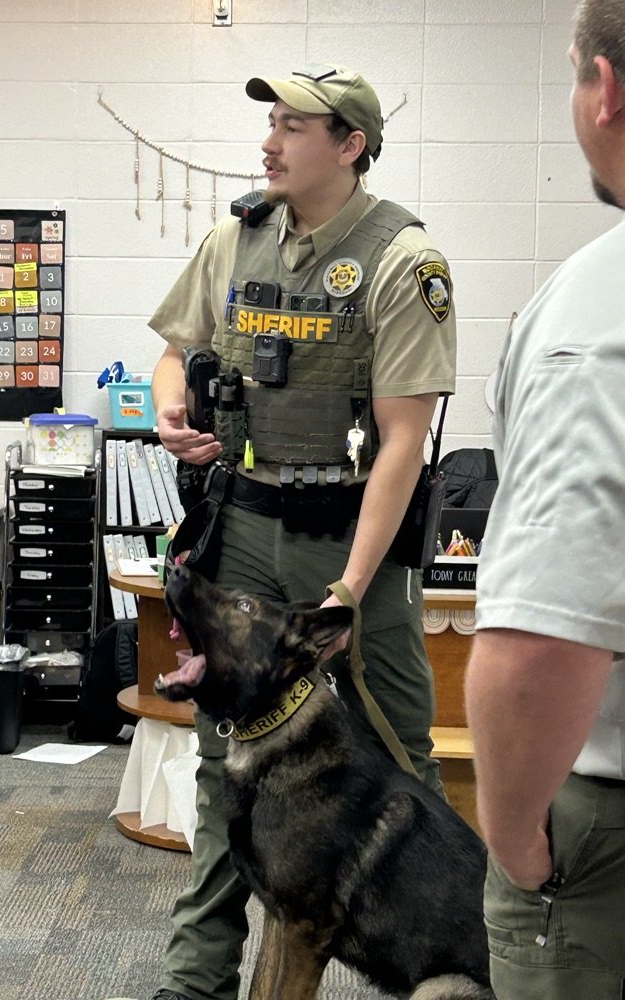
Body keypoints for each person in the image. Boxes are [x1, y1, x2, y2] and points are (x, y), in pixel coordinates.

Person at [148, 63, 456, 1000]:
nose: (270, 141)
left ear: (351, 144)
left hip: (346, 531)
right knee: (221, 757)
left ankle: (464, 948)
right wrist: (170, 414)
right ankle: (196, 977)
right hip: (243, 521)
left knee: (398, 746)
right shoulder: (235, 241)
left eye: (293, 125)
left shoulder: (405, 262)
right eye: (271, 122)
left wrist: (353, 590)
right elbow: (174, 351)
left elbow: (404, 441)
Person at [464, 3, 625, 997]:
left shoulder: (594, 321)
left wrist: (517, 836)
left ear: (607, 90)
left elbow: (539, 645)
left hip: (604, 820)